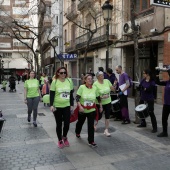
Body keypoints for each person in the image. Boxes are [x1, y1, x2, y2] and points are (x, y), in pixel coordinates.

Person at [75, 74, 103, 147]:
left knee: (91, 126)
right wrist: (80, 106)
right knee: (80, 122)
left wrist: (100, 106)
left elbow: (98, 98)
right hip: (83, 110)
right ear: (85, 80)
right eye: (88, 79)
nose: (90, 80)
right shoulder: (82, 87)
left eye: (91, 79)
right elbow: (77, 98)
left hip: (91, 110)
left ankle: (91, 141)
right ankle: (77, 132)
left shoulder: (94, 88)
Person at [50, 67, 74, 149]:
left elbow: (71, 94)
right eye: (61, 73)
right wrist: (51, 105)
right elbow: (52, 94)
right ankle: (60, 140)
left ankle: (64, 136)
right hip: (57, 106)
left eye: (64, 72)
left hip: (67, 105)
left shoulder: (69, 81)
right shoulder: (55, 81)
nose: (63, 74)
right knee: (59, 124)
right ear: (58, 73)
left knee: (67, 123)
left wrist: (71, 104)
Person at [93, 71, 115, 136]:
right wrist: (102, 97)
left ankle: (106, 130)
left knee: (107, 116)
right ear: (97, 77)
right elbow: (95, 95)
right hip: (99, 103)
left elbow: (112, 89)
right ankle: (94, 125)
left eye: (103, 75)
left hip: (108, 101)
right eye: (101, 75)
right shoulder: (95, 84)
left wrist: (114, 86)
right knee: (98, 116)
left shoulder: (107, 81)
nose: (103, 76)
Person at [156, 68, 170, 137]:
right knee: (164, 118)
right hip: (166, 104)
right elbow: (158, 82)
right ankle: (165, 132)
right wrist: (157, 74)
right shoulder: (167, 82)